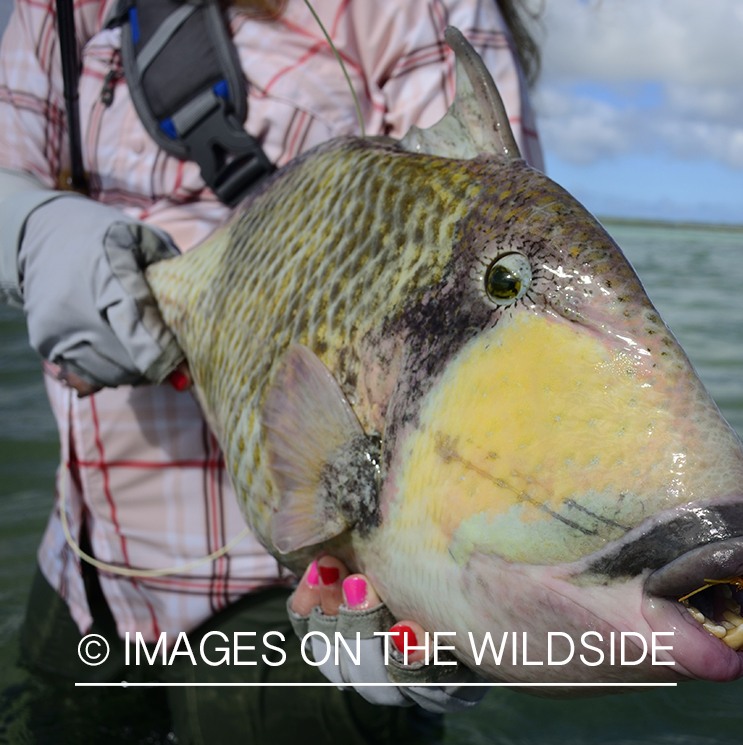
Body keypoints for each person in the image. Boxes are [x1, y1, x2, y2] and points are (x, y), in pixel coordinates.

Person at [0, 0, 544, 741]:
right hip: (81, 574)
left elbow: (502, 271)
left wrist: (465, 594)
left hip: (291, 596)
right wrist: (33, 230)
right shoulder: (56, 10)